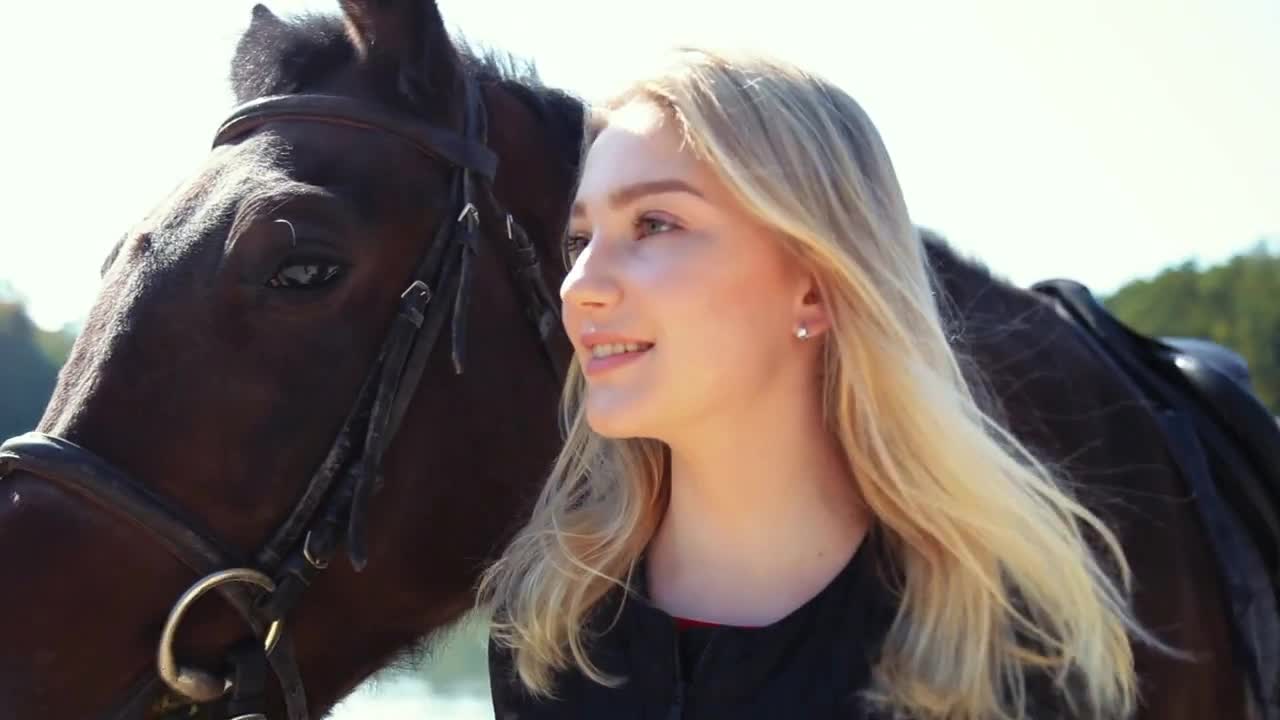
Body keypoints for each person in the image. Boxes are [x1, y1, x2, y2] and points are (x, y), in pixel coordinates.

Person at [477, 47, 1149, 719]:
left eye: (654, 225)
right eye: (580, 239)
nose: (580, 286)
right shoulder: (547, 627)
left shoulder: (1005, 649)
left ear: (816, 287)